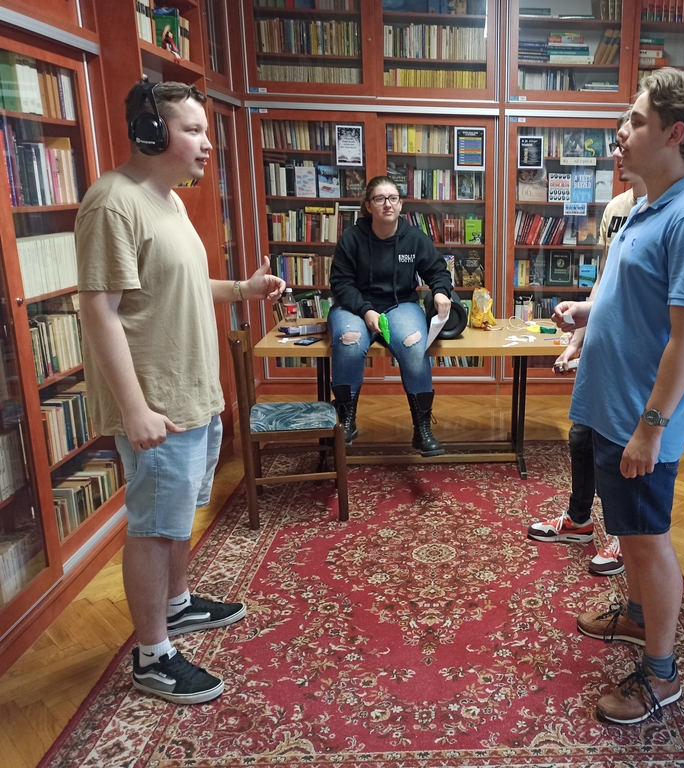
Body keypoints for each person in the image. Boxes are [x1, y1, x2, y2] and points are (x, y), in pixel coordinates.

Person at [76, 80, 286, 705]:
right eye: (193, 130)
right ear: (150, 132)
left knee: (175, 520)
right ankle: (152, 656)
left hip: (193, 394)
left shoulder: (169, 202)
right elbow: (99, 310)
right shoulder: (113, 204)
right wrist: (135, 408)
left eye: (205, 131)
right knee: (152, 527)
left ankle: (178, 604)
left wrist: (243, 290)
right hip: (157, 406)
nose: (206, 144)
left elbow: (186, 285)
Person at [554, 69, 684, 724]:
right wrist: (587, 314)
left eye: (634, 120)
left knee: (648, 538)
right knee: (627, 532)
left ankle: (662, 674)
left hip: (639, 419)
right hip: (612, 408)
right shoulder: (644, 206)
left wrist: (651, 428)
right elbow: (630, 297)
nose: (620, 132)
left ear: (674, 133)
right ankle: (634, 614)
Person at [527, 108, 649, 579]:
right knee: (581, 436)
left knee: (621, 450)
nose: (617, 152)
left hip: (635, 359)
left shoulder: (677, 213)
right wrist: (578, 338)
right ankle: (579, 521)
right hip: (602, 345)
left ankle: (623, 535)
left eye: (624, 141)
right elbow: (604, 282)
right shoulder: (617, 210)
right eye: (615, 143)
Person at [329, 176, 453, 456]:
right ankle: (346, 420)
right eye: (379, 198)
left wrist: (440, 292)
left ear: (400, 204)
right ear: (368, 205)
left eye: (393, 198)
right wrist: (365, 310)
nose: (387, 204)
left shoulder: (414, 238)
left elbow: (438, 271)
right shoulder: (351, 238)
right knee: (349, 340)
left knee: (414, 343)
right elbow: (340, 283)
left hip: (400, 305)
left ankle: (422, 429)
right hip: (355, 306)